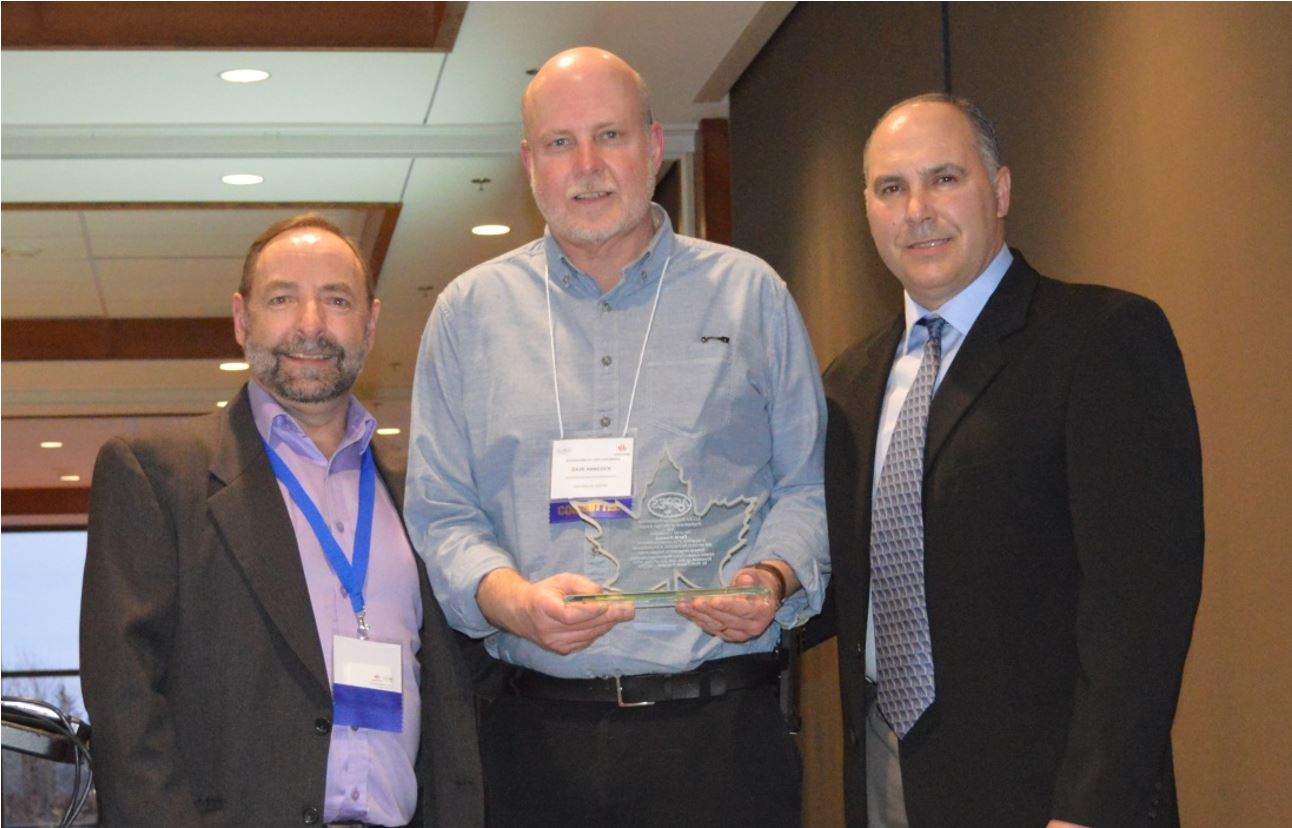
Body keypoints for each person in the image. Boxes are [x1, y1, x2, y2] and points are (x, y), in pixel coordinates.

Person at [404, 47, 828, 826]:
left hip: (722, 739)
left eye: (611, 136)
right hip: (533, 747)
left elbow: (806, 486)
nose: (588, 166)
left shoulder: (751, 295)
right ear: (530, 163)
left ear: (655, 145)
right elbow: (442, 514)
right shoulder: (469, 316)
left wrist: (771, 578)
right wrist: (513, 601)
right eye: (561, 143)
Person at [821, 93, 1204, 827]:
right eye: (891, 188)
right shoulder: (848, 381)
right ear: (867, 209)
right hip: (885, 772)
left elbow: (1141, 611)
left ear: (999, 191)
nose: (917, 210)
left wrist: (1090, 806)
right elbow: (850, 580)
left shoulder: (1102, 341)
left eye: (945, 179)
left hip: (1047, 791)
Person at [80, 214, 484, 827]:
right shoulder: (156, 477)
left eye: (337, 300)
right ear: (242, 319)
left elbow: (455, 698)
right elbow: (125, 704)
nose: (311, 324)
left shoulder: (422, 489)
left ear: (371, 323)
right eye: (282, 298)